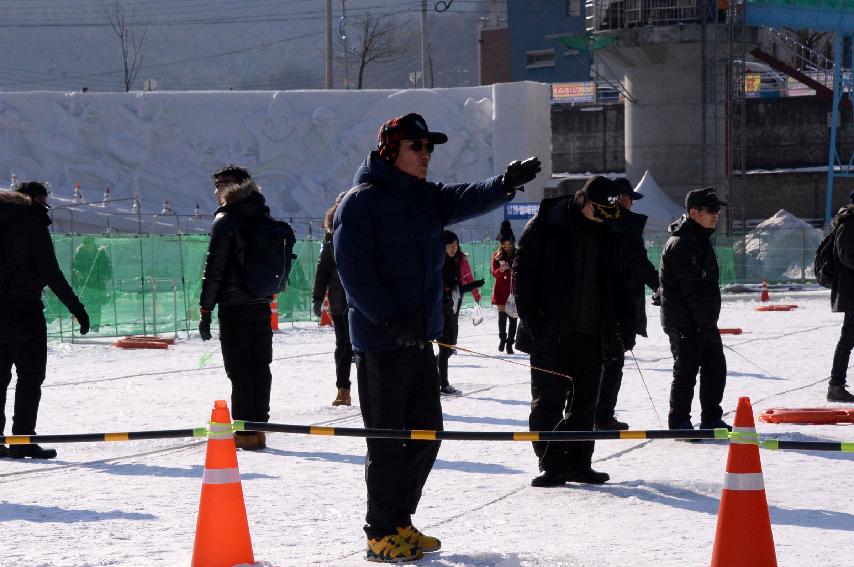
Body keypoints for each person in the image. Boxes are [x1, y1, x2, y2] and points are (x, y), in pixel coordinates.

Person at [334, 112, 540, 562]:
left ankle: (402, 521)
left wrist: (504, 183)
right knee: (387, 442)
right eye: (417, 147)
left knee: (428, 434)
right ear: (391, 150)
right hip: (380, 344)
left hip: (420, 342)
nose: (426, 155)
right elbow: (354, 272)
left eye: (430, 148)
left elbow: (467, 197)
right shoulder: (361, 202)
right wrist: (389, 320)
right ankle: (380, 532)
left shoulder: (425, 198)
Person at [514, 176, 627, 488]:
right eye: (599, 210)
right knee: (547, 403)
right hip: (549, 333)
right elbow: (523, 274)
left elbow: (619, 281)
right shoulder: (547, 223)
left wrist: (621, 327)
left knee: (584, 405)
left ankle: (579, 464)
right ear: (583, 200)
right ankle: (552, 465)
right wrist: (533, 322)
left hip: (592, 333)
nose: (604, 216)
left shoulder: (609, 229)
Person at [199, 164, 286, 451]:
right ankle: (259, 428)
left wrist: (205, 309)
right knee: (261, 367)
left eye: (221, 184)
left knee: (239, 370)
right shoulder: (263, 214)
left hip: (234, 306)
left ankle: (244, 432)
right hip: (261, 303)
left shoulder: (226, 221)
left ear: (235, 186)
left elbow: (215, 270)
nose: (216, 190)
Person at [0, 182, 89, 459]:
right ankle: (22, 439)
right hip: (25, 311)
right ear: (37, 199)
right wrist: (75, 306)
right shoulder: (31, 219)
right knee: (29, 376)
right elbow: (49, 270)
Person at [659, 187, 730, 431]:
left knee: (715, 367)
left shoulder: (700, 239)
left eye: (717, 210)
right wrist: (703, 323)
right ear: (694, 212)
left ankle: (711, 418)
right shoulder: (682, 243)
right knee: (686, 370)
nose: (716, 215)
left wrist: (708, 322)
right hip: (685, 321)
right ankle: (679, 421)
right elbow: (691, 289)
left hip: (703, 319)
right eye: (711, 210)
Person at [595, 178, 660, 430]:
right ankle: (602, 416)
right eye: (630, 197)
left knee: (597, 362)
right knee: (612, 362)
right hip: (617, 306)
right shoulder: (624, 226)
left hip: (593, 304)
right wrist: (660, 286)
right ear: (620, 197)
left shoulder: (594, 221)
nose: (632, 202)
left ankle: (588, 413)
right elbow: (639, 262)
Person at [312, 192, 354, 407]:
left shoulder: (364, 227)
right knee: (343, 346)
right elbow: (323, 267)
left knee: (367, 348)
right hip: (340, 300)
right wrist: (317, 297)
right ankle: (343, 389)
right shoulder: (330, 235)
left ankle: (373, 390)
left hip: (363, 302)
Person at [437, 230, 484, 395]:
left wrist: (472, 286)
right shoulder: (437, 263)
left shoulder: (454, 262)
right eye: (449, 245)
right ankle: (442, 383)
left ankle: (437, 378)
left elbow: (457, 287)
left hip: (451, 307)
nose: (453, 248)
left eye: (455, 245)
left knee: (450, 346)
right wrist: (443, 297)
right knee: (445, 348)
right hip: (438, 310)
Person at [825, 192, 854, 402]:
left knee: (848, 339)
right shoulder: (850, 223)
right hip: (853, 293)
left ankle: (836, 385)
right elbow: (846, 255)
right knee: (847, 339)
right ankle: (835, 386)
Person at [72, 236, 113, 333]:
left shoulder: (100, 253)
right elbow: (74, 268)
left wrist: (106, 277)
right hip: (84, 284)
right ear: (84, 244)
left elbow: (108, 266)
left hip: (98, 284)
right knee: (86, 306)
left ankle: (95, 327)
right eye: (87, 243)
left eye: (90, 243)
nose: (89, 245)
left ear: (93, 243)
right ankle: (86, 325)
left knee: (96, 306)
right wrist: (77, 275)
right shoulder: (79, 254)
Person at [492, 220, 517, 354]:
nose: (508, 247)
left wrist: (513, 268)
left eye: (510, 244)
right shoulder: (496, 256)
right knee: (502, 317)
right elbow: (493, 273)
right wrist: (501, 270)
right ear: (501, 244)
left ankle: (509, 344)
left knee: (513, 318)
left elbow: (523, 270)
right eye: (505, 244)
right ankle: (502, 338)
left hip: (514, 291)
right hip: (501, 290)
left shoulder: (517, 255)